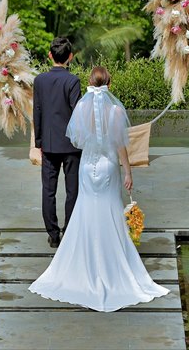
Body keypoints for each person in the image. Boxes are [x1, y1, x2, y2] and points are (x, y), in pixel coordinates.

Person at [29, 66, 170, 312]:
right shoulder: (115, 110)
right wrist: (128, 171)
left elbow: (77, 139)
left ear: (90, 83)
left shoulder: (82, 107)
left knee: (86, 212)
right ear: (109, 84)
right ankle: (112, 264)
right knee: (110, 212)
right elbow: (120, 145)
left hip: (87, 166)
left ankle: (83, 264)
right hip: (106, 167)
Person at [33, 37, 82, 248]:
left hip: (50, 144)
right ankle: (69, 231)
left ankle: (53, 235)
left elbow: (37, 111)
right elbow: (77, 112)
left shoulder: (39, 80)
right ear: (70, 57)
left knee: (48, 190)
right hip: (71, 145)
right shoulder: (73, 81)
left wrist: (39, 142)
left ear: (50, 55)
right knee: (73, 190)